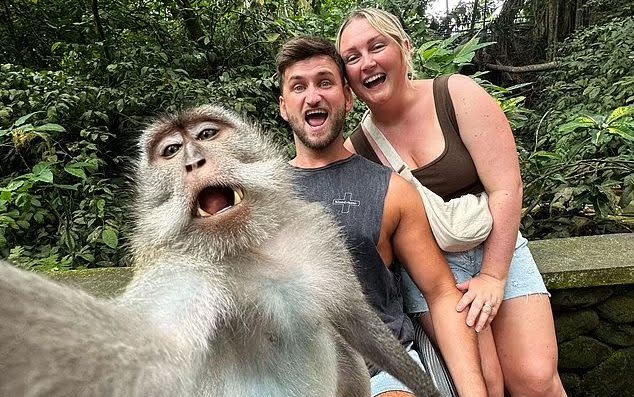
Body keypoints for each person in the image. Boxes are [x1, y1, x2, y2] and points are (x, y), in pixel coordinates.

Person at [336, 8, 566, 397]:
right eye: (353, 57)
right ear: (347, 79)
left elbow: (506, 187)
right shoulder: (356, 151)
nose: (367, 62)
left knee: (536, 377)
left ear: (404, 48)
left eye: (377, 46)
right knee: (486, 383)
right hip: (433, 268)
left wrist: (494, 276)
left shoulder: (456, 94)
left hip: (496, 241)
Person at [276, 36, 487, 397]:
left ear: (347, 96)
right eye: (299, 86)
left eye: (325, 82)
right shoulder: (257, 196)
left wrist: (474, 393)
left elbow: (439, 293)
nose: (313, 96)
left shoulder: (392, 191)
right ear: (284, 106)